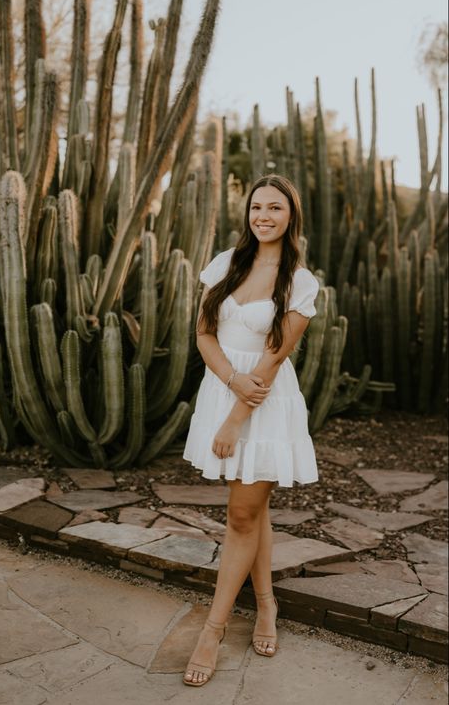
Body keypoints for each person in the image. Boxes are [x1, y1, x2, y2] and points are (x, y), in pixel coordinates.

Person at [182, 174, 320, 687]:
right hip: (226, 387)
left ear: (291, 216)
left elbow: (275, 356)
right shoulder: (225, 263)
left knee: (240, 515)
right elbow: (203, 332)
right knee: (251, 509)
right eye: (257, 207)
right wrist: (229, 381)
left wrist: (237, 416)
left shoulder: (299, 281)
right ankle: (266, 604)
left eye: (275, 208)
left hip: (264, 403)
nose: (264, 216)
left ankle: (213, 629)